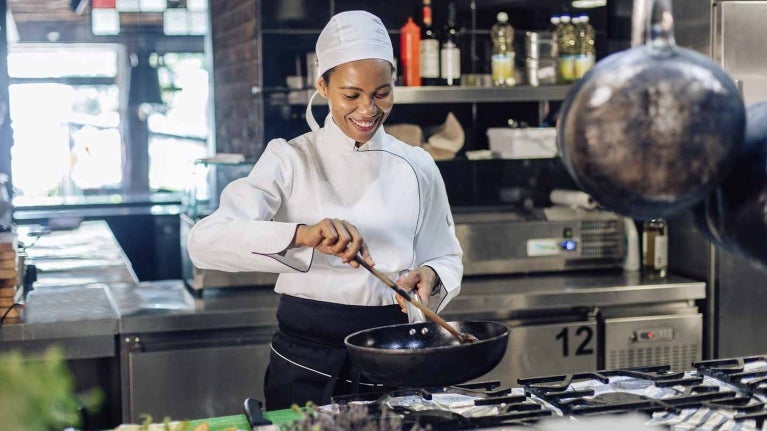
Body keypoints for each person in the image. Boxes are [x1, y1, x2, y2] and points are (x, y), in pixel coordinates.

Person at [186, 10, 463, 409]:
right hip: (306, 360)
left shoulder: (418, 164)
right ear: (323, 85)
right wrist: (303, 235)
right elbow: (204, 242)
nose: (368, 109)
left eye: (381, 93)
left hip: (395, 354)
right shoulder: (289, 158)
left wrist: (432, 275)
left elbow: (447, 253)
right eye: (351, 95)